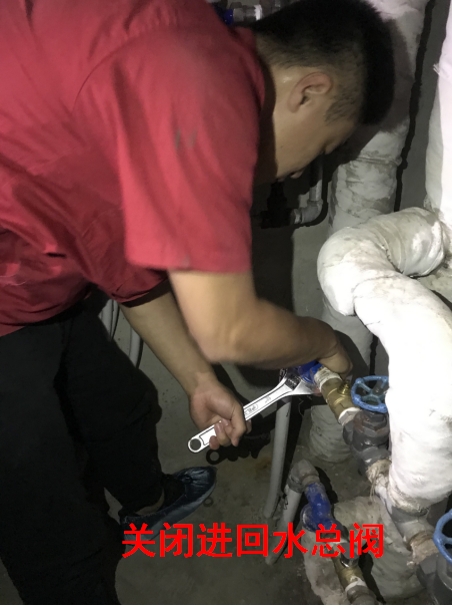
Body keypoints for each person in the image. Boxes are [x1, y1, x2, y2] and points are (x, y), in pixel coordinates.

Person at [0, 0, 394, 603]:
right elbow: (228, 327)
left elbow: (132, 276)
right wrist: (328, 342)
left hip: (36, 272)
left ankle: (147, 503)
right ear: (310, 90)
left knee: (117, 406)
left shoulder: (181, 51)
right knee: (47, 516)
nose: (298, 175)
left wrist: (199, 379)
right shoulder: (204, 88)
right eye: (321, 149)